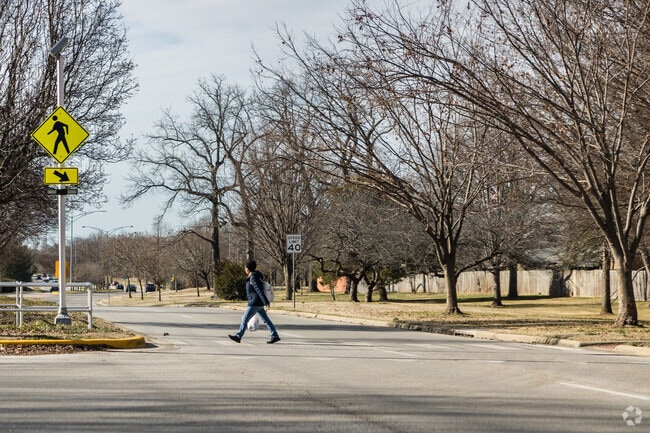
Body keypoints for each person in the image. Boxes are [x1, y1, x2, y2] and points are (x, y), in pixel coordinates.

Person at [229, 259, 281, 344]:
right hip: (258, 302)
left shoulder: (253, 278)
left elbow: (258, 290)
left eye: (245, 267)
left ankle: (238, 336)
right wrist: (264, 301)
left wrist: (266, 301)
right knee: (266, 320)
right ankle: (275, 335)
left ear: (248, 268)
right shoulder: (255, 276)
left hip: (255, 302)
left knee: (244, 318)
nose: (244, 269)